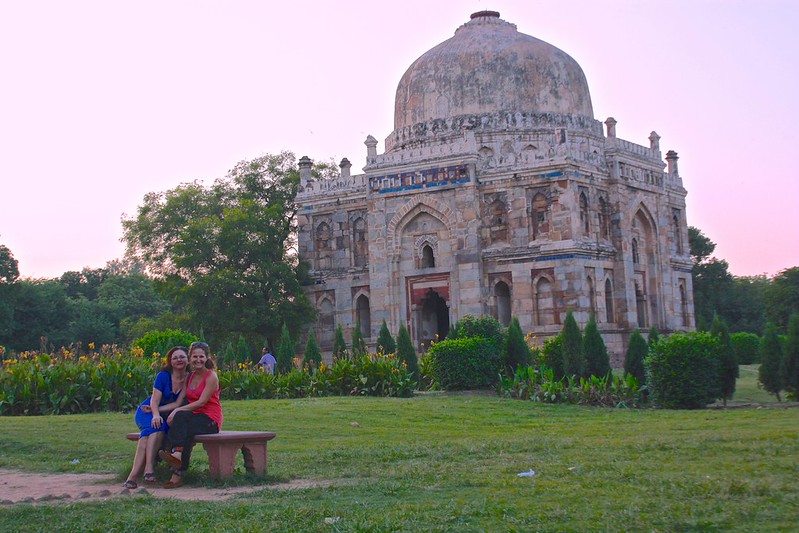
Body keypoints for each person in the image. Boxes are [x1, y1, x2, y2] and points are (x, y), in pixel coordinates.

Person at [159, 341, 223, 488]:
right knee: (183, 431)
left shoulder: (211, 376)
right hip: (194, 417)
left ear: (207, 358)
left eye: (201, 356)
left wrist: (177, 411)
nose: (198, 360)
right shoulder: (190, 376)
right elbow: (179, 401)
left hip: (210, 420)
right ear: (190, 358)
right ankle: (178, 463)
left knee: (181, 419)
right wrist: (157, 408)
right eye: (195, 357)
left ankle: (176, 465)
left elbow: (201, 403)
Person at [123, 346, 188, 489]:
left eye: (182, 357)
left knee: (148, 434)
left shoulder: (187, 379)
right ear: (170, 361)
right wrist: (155, 414)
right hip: (147, 411)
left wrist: (158, 412)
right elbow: (154, 400)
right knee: (157, 426)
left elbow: (177, 403)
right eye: (175, 357)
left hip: (163, 412)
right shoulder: (163, 376)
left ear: (187, 359)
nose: (179, 360)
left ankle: (132, 477)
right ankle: (149, 468)